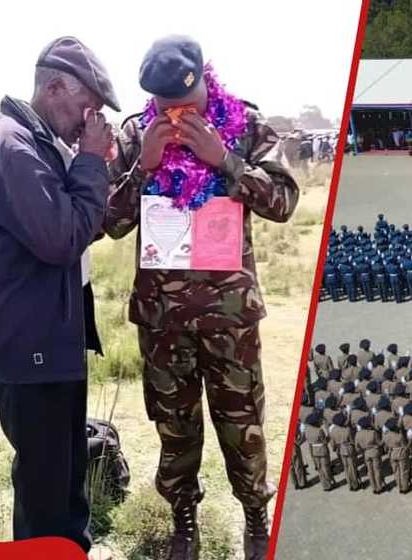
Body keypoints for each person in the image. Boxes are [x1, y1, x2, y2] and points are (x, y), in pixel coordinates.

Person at [104, 36, 297, 559]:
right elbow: (110, 222)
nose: (175, 117)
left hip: (230, 319)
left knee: (242, 427)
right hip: (163, 323)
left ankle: (256, 521)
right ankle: (182, 522)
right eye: (166, 109)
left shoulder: (248, 126)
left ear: (203, 85)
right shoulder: (134, 136)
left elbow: (283, 202)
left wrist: (225, 160)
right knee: (175, 428)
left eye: (185, 106)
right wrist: (143, 165)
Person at [0, 35, 117, 553]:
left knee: (65, 471)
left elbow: (82, 223)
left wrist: (99, 164)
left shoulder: (40, 143)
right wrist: (93, 161)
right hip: (32, 346)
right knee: (44, 490)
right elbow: (60, 238)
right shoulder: (15, 146)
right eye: (86, 107)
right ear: (54, 87)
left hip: (51, 340)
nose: (87, 121)